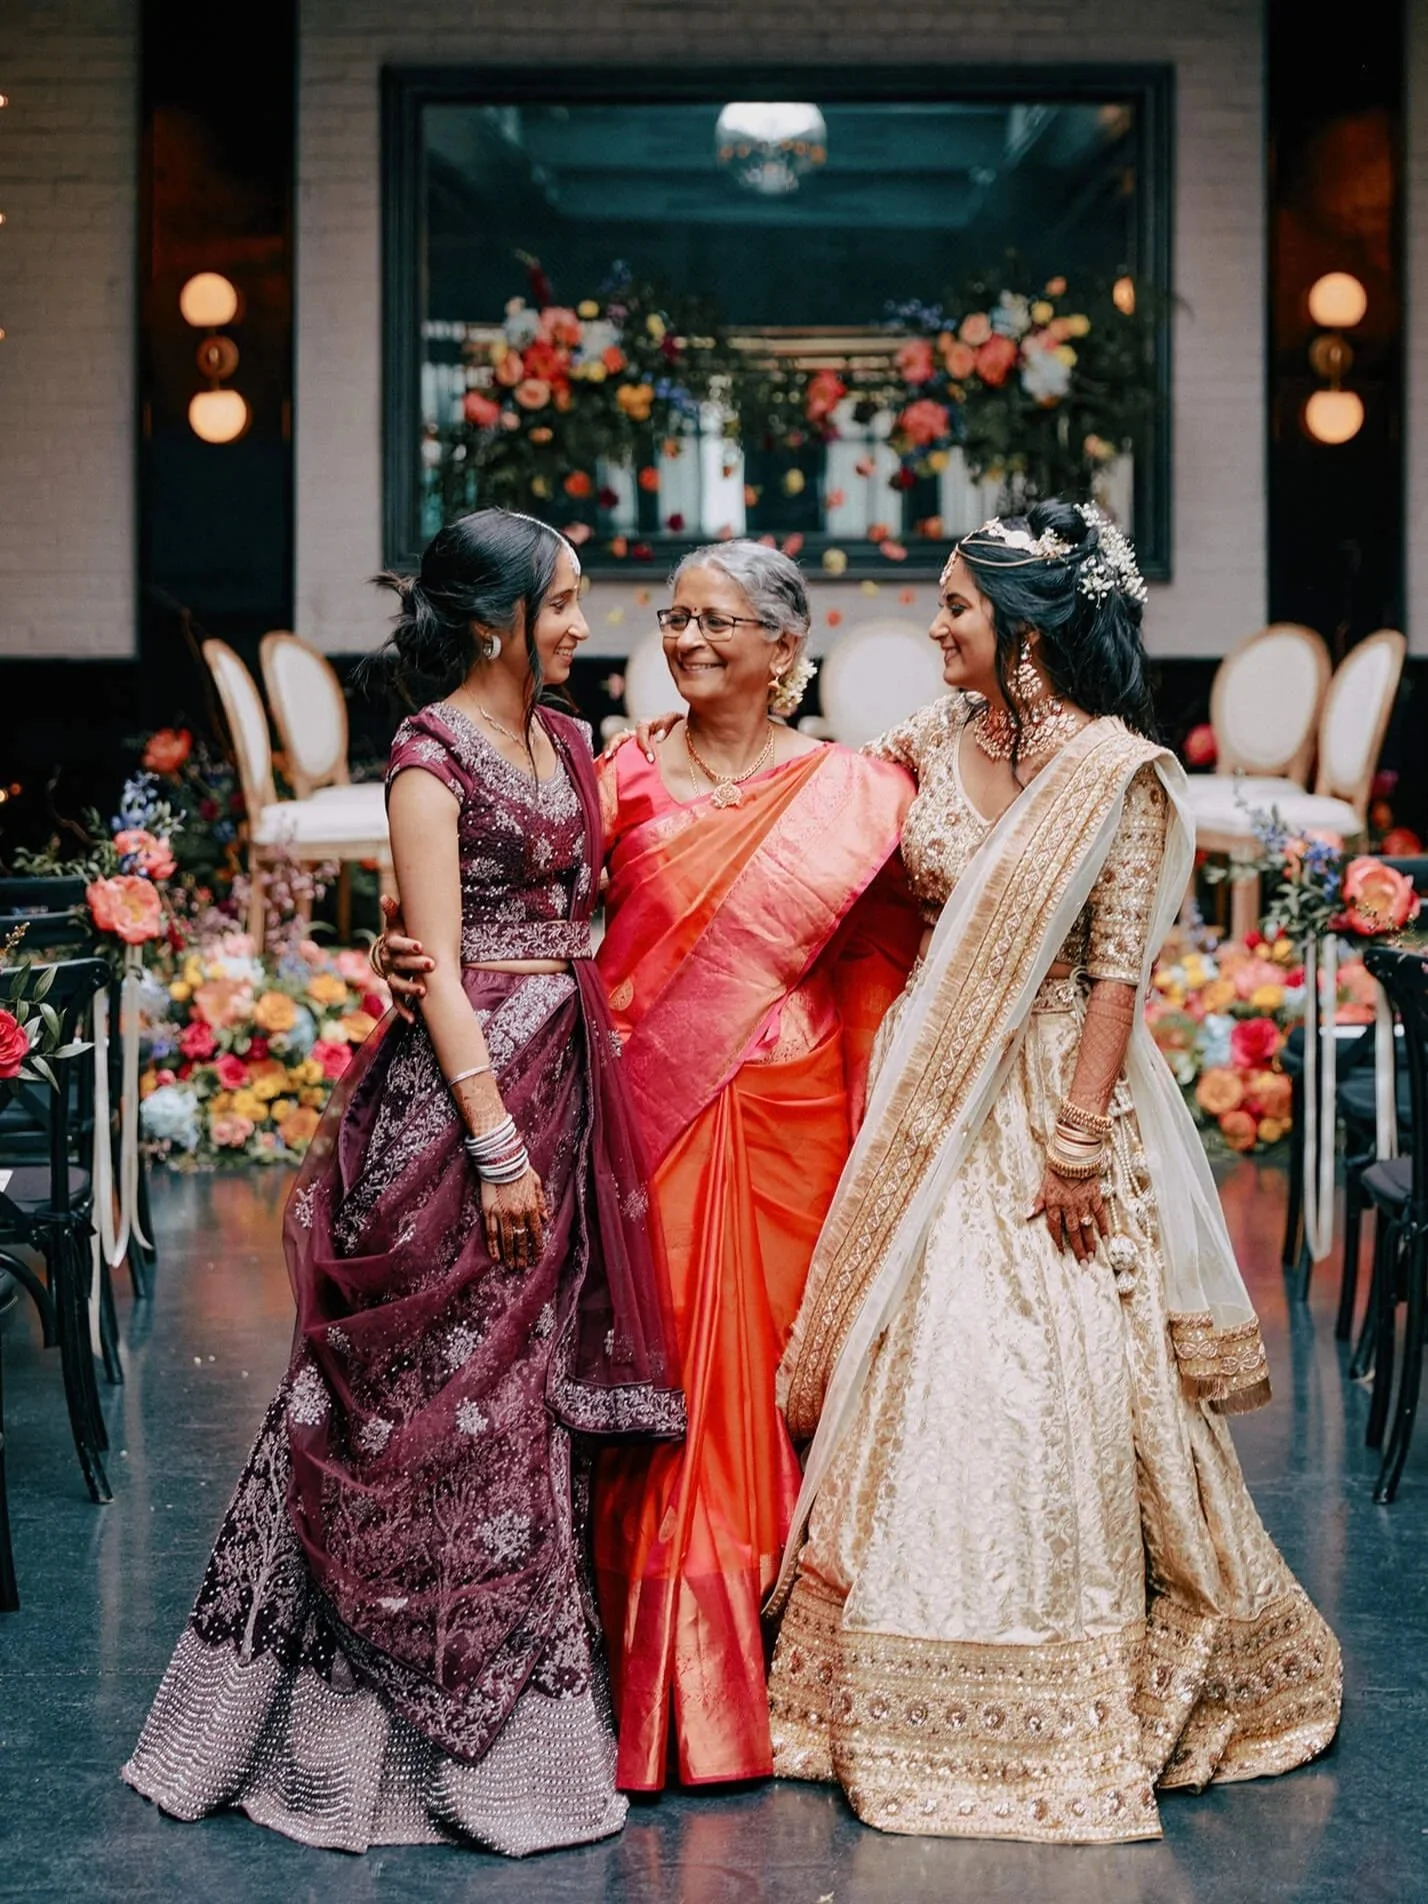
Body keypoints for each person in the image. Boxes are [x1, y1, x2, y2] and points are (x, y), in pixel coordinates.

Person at [767, 502, 1342, 1844]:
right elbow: (815, 816)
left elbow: (1114, 975)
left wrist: (1077, 1143)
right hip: (928, 1081)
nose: (938, 625)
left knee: (1042, 1350)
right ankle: (871, 1672)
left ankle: (1052, 1669)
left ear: (1022, 631)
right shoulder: (924, 743)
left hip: (1047, 1106)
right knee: (918, 1349)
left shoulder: (1118, 775)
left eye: (959, 606)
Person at [123, 508, 683, 1858]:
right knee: (408, 1402)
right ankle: (341, 1747)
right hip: (463, 1106)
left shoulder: (565, 743)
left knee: (518, 1396)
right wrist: (489, 1143)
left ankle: (523, 1744)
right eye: (562, 603)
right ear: (497, 620)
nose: (581, 625)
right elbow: (435, 961)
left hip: (563, 1081)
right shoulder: (429, 766)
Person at [377, 540, 921, 1791]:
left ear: (788, 649)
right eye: (677, 618)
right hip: (638, 1119)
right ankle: (646, 1664)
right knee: (658, 1373)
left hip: (786, 1114)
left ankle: (786, 1664)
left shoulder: (852, 790)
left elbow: (899, 949)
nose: (688, 641)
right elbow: (519, 896)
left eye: (723, 623)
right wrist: (412, 945)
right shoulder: (610, 768)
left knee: (774, 1372)